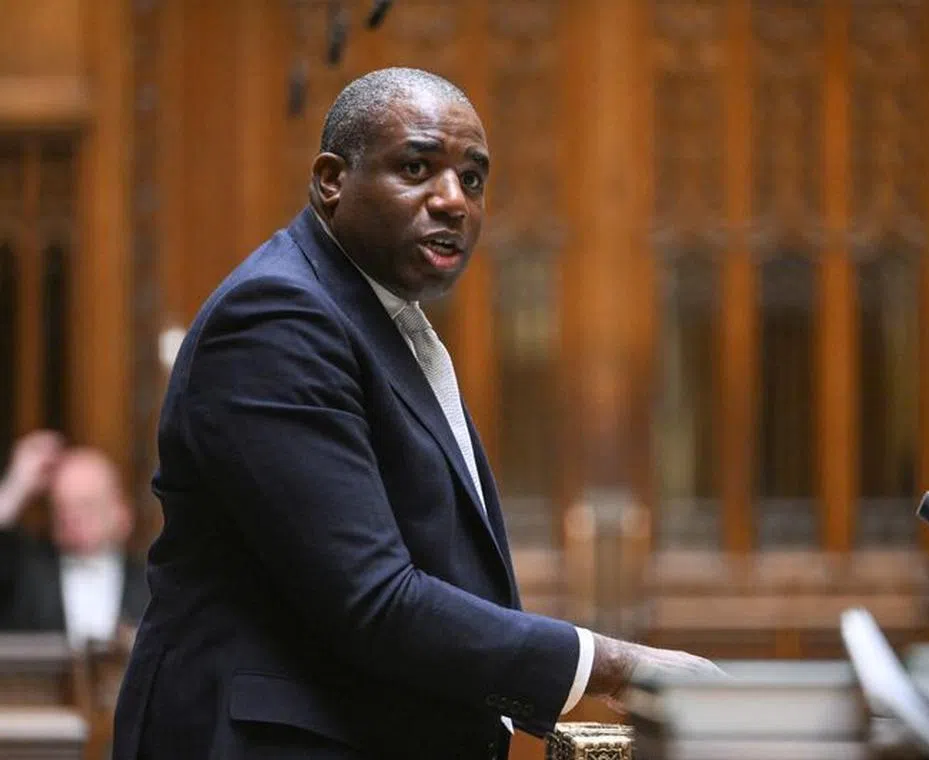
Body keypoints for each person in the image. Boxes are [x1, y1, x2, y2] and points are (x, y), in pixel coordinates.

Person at [112, 67, 722, 760]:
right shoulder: (279, 318)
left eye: (473, 179)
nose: (452, 200)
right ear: (331, 180)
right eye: (416, 167)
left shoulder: (372, 317)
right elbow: (373, 600)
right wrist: (615, 663)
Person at [0, 430, 147, 647]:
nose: (72, 518)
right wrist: (16, 486)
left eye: (87, 505)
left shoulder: (153, 583)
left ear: (121, 512)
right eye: (62, 508)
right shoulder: (27, 572)